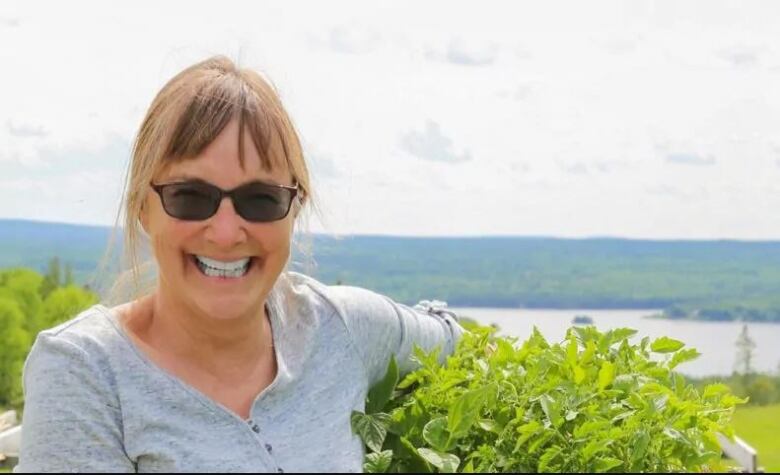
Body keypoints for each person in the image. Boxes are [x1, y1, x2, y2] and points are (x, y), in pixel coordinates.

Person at [14, 56, 464, 473]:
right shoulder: (85, 372)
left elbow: (449, 336)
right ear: (142, 208)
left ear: (294, 208)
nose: (226, 232)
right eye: (190, 196)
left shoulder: (339, 327)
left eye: (260, 199)